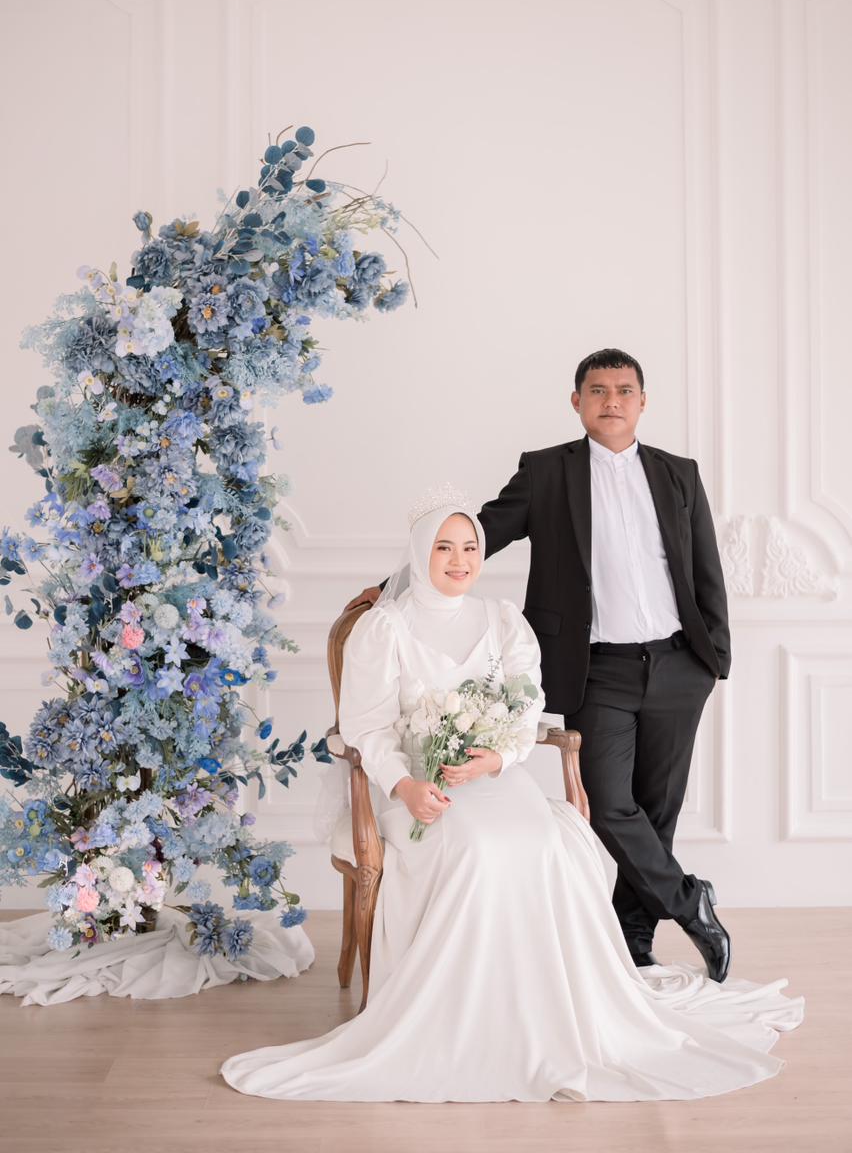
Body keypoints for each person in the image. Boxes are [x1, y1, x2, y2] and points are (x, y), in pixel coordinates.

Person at [220, 493, 802, 1103]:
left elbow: (526, 708)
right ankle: (466, 1017)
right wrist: (407, 786)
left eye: (470, 547)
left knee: (551, 841)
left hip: (494, 777)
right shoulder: (384, 629)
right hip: (416, 786)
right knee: (476, 848)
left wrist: (497, 758)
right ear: (420, 554)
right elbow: (366, 728)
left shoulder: (501, 620)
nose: (459, 560)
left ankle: (542, 1014)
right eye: (444, 548)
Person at [348, 349, 731, 979]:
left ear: (643, 401)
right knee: (610, 805)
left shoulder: (679, 474)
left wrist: (713, 658)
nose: (612, 400)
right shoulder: (548, 471)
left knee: (657, 810)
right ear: (576, 401)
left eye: (625, 390)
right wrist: (392, 585)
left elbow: (705, 567)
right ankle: (692, 904)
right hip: (596, 669)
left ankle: (634, 942)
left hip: (677, 664)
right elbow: (477, 534)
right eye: (598, 390)